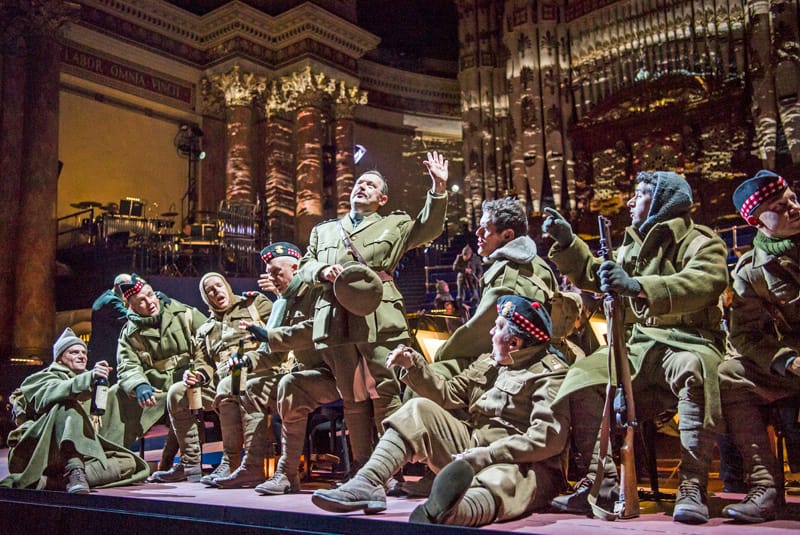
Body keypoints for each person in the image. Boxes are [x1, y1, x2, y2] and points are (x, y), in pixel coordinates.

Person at [543, 170, 729, 524]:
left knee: (694, 369)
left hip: (689, 340)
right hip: (640, 345)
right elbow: (596, 273)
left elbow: (705, 281)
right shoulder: (631, 245)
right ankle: (605, 481)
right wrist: (569, 245)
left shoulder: (701, 242)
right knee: (583, 376)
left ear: (662, 201)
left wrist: (639, 286)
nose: (629, 201)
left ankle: (693, 484)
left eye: (640, 193)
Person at [310, 295, 570, 527]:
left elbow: (546, 439)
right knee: (418, 409)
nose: (491, 331)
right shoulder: (490, 361)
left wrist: (488, 455)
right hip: (474, 447)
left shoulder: (550, 373)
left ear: (514, 342)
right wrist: (414, 365)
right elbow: (448, 393)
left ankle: (452, 512)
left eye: (499, 327)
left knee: (503, 479)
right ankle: (368, 481)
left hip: (523, 463)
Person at [297, 152, 449, 473]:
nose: (361, 187)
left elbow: (429, 228)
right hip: (336, 317)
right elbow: (305, 266)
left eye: (370, 185)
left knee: (385, 390)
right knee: (352, 395)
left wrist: (438, 187)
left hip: (378, 315)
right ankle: (363, 469)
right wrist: (322, 270)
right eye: (358, 183)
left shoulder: (396, 223)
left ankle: (390, 470)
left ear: (382, 198)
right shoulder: (324, 231)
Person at [717, 170, 800, 522]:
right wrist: (786, 360)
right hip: (795, 363)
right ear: (756, 220)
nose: (793, 207)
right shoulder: (750, 272)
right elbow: (745, 336)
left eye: (793, 198)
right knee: (729, 375)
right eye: (778, 206)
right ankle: (765, 487)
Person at [238, 242, 341, 495]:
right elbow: (273, 356)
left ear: (296, 268)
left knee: (291, 384)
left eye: (276, 272)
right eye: (269, 273)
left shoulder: (319, 292)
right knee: (251, 388)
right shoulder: (283, 302)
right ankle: (251, 466)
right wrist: (248, 361)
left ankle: (286, 472)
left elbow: (312, 332)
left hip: (336, 374)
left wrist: (269, 335)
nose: (272, 279)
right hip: (307, 375)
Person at [160, 272, 273, 488]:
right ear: (206, 298)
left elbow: (277, 332)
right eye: (209, 291)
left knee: (229, 386)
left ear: (227, 286)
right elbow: (203, 364)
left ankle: (232, 461)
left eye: (219, 286)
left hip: (258, 373)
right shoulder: (205, 330)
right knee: (177, 392)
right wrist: (198, 375)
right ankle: (190, 465)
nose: (216, 292)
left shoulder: (253, 303)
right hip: (222, 381)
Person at [1, 328, 149, 492]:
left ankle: (56, 482)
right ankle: (74, 470)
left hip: (80, 452)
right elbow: (51, 393)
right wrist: (88, 377)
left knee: (129, 462)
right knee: (68, 406)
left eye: (84, 352)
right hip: (43, 450)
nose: (81, 356)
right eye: (74, 352)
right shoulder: (41, 378)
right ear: (60, 358)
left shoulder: (89, 383)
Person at [432, 196, 564, 377]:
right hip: (539, 355)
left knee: (433, 374)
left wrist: (439, 354)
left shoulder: (507, 278)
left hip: (515, 365)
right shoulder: (538, 263)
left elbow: (478, 336)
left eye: (485, 229)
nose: (477, 233)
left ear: (508, 235)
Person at [100, 274, 207, 480]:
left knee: (181, 397)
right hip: (155, 388)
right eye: (141, 300)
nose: (150, 302)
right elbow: (127, 364)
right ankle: (106, 454)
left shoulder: (183, 313)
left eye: (150, 295)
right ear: (131, 306)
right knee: (116, 395)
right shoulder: (130, 333)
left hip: (190, 381)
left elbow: (208, 338)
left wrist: (200, 372)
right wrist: (139, 385)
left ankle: (176, 463)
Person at [87, 273, 131, 374]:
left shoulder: (106, 296)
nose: (129, 291)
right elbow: (130, 318)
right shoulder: (111, 301)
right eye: (126, 287)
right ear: (116, 286)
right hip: (105, 354)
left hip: (100, 351)